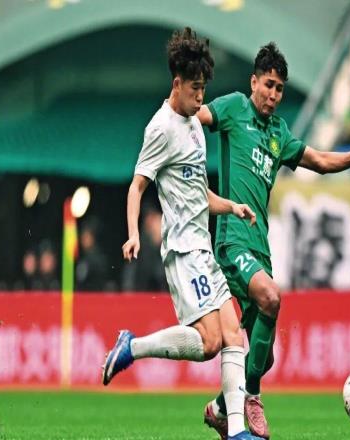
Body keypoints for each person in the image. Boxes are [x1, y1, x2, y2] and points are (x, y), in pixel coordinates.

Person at [197, 42, 350, 439]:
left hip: (260, 250)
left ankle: (219, 408)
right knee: (271, 297)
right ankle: (251, 399)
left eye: (280, 88)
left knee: (263, 357)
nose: (273, 94)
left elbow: (320, 161)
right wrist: (173, 115)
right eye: (268, 85)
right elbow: (195, 115)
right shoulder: (233, 108)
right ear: (254, 82)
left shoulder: (278, 133)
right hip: (232, 242)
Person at [101, 27, 263, 440]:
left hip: (202, 248)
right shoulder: (161, 128)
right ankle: (132, 346)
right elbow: (137, 186)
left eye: (204, 88)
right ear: (177, 84)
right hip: (183, 252)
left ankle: (236, 430)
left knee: (234, 335)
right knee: (211, 342)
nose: (201, 97)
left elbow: (197, 192)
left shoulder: (194, 124)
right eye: (195, 89)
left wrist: (231, 206)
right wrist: (133, 233)